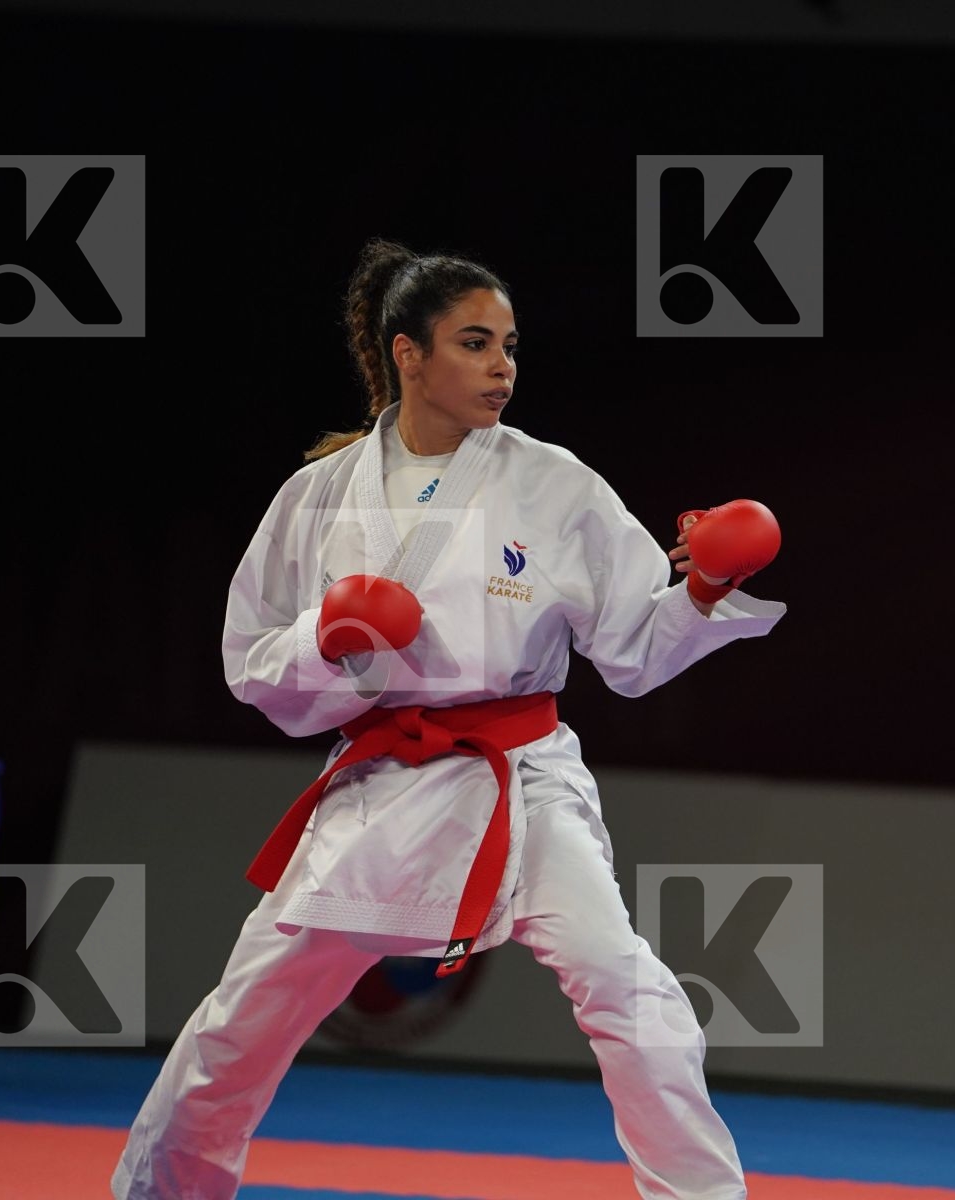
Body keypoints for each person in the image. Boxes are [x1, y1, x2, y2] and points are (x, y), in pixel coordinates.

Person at [112, 240, 785, 1200]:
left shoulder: (555, 484)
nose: (503, 365)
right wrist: (326, 637)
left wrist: (703, 589)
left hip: (521, 777)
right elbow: (253, 664)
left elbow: (633, 652)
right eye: (475, 343)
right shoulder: (318, 496)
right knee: (242, 1020)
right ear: (408, 354)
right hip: (380, 783)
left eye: (510, 345)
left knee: (627, 988)